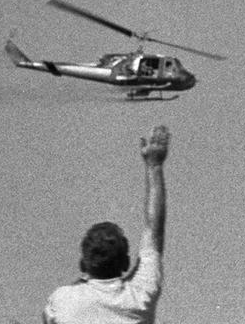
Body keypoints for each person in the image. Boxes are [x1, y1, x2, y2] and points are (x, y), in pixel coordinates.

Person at [43, 126, 171, 324]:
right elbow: (154, 233)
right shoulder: (140, 296)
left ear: (82, 264)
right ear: (126, 263)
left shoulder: (62, 300)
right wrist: (154, 166)